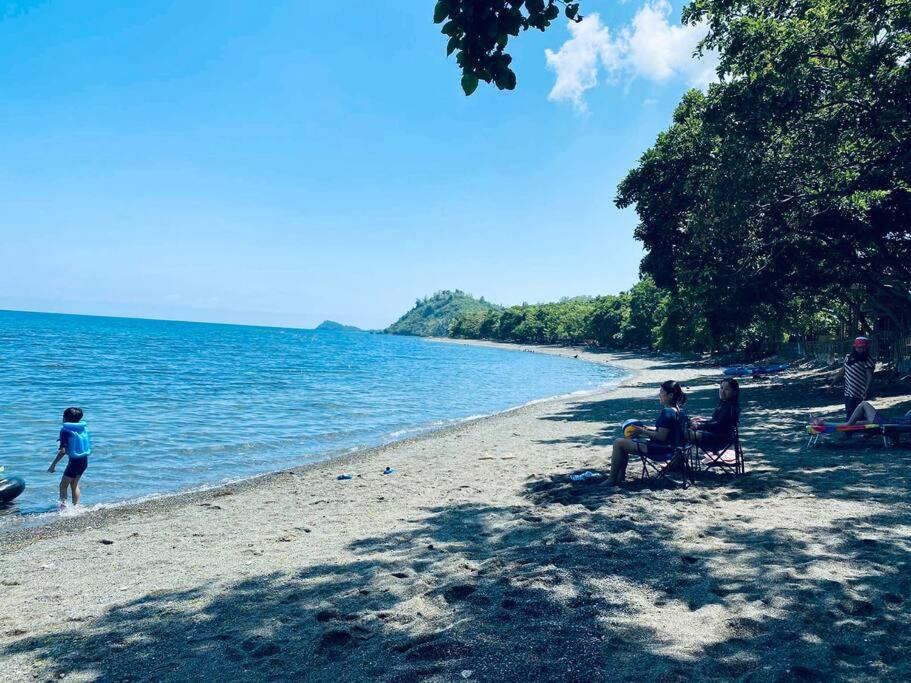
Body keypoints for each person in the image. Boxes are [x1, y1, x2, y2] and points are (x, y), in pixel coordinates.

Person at [607, 380, 687, 486]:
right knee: (624, 442)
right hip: (673, 448)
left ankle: (612, 479)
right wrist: (646, 428)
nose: (659, 394)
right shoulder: (679, 411)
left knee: (618, 443)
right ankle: (619, 477)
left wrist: (642, 431)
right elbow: (667, 430)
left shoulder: (667, 412)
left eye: (662, 392)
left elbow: (661, 436)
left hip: (662, 450)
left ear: (670, 395)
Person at [48, 407, 92, 506]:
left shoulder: (65, 431)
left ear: (65, 418)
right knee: (74, 484)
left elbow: (63, 452)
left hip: (74, 463)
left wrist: (53, 465)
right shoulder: (83, 428)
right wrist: (62, 439)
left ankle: (63, 508)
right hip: (84, 461)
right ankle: (75, 506)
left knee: (63, 485)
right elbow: (77, 439)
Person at [686, 379, 740, 451]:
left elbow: (718, 425)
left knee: (683, 433)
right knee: (683, 432)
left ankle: (677, 456)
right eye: (721, 388)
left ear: (734, 392)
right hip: (719, 437)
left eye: (726, 389)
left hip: (718, 440)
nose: (722, 391)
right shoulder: (726, 404)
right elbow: (717, 421)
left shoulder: (730, 407)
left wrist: (698, 426)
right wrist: (703, 420)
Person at [829, 337, 876, 420]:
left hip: (860, 392)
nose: (862, 350)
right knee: (851, 413)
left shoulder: (868, 360)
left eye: (864, 348)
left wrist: (867, 390)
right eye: (859, 348)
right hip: (848, 391)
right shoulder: (848, 357)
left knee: (855, 415)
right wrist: (832, 384)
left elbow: (870, 376)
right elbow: (842, 372)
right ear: (855, 347)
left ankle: (853, 427)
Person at [812, 400, 911, 427]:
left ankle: (822, 422)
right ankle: (824, 423)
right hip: (889, 421)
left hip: (885, 422)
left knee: (864, 404)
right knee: (854, 423)